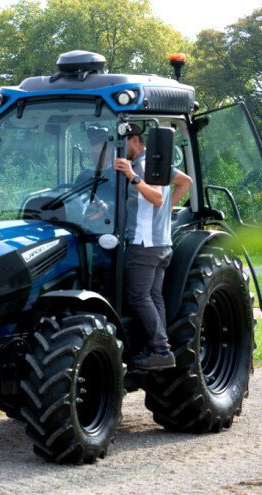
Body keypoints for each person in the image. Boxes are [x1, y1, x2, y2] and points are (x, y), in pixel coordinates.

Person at [114, 123, 193, 370]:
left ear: (135, 140)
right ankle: (158, 346)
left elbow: (157, 198)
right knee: (154, 296)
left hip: (145, 244)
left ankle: (161, 349)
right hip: (161, 243)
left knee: (138, 297)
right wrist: (168, 210)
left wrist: (133, 176)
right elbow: (186, 182)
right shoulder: (159, 163)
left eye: (124, 143)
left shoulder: (144, 166)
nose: (121, 149)